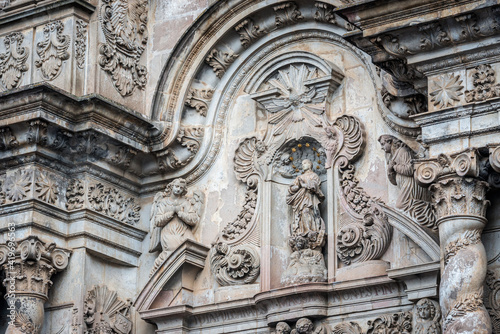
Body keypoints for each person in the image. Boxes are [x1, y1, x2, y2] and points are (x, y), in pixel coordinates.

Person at [286, 159, 325, 250]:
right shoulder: (299, 177)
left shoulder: (314, 176)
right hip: (300, 199)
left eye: (305, 163)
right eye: (302, 163)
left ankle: (310, 230)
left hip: (310, 198)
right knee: (302, 213)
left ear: (310, 164)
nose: (303, 165)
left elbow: (315, 186)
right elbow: (291, 188)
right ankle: (302, 231)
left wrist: (305, 184)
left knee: (308, 211)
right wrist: (299, 186)